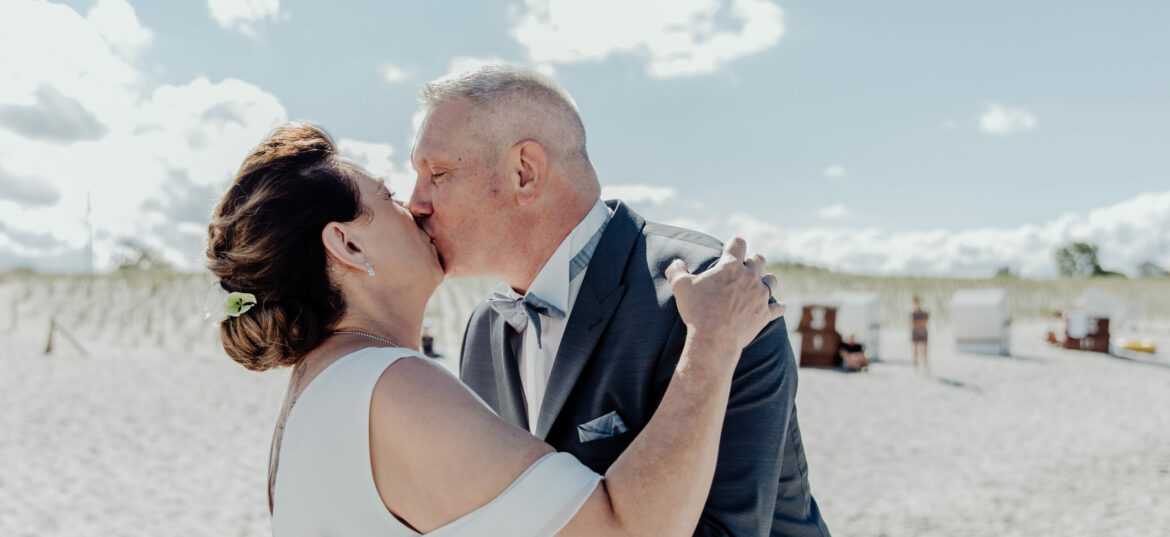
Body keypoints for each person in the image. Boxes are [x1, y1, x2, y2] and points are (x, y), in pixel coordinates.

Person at [205, 122, 785, 536]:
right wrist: (712, 340)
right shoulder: (391, 387)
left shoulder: (317, 389)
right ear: (349, 244)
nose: (416, 206)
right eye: (386, 198)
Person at [409, 64, 830, 537]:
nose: (415, 202)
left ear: (524, 173)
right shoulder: (484, 329)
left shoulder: (716, 300)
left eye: (437, 173)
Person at [911, 296, 929, 373]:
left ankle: (924, 362)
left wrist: (919, 322)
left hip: (922, 331)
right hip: (917, 331)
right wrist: (920, 322)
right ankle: (916, 363)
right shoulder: (914, 313)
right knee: (916, 348)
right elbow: (912, 322)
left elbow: (926, 320)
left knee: (924, 348)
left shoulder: (922, 313)